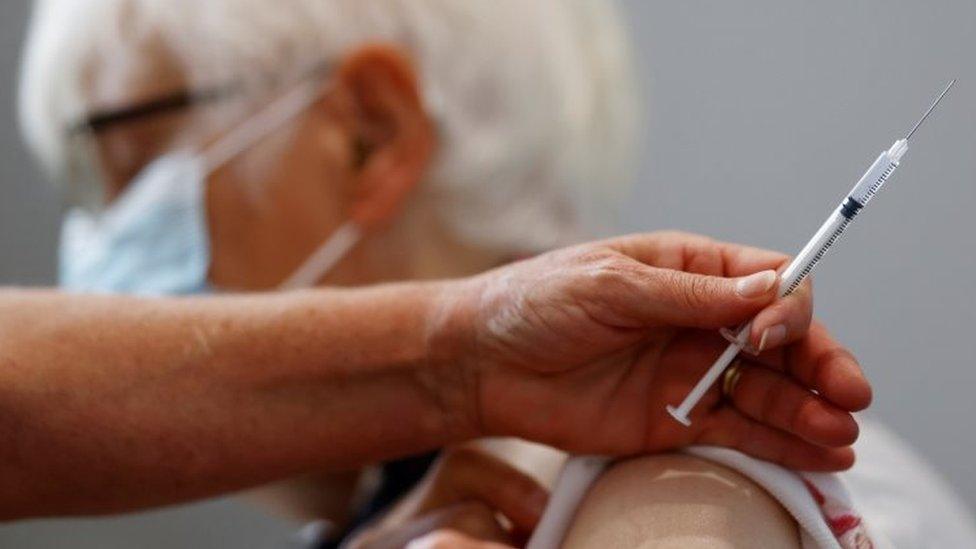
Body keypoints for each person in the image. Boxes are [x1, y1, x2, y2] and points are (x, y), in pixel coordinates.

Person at [15, 0, 877, 545]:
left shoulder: (690, 489)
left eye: (126, 168)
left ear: (369, 134)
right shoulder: (411, 515)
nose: (93, 254)